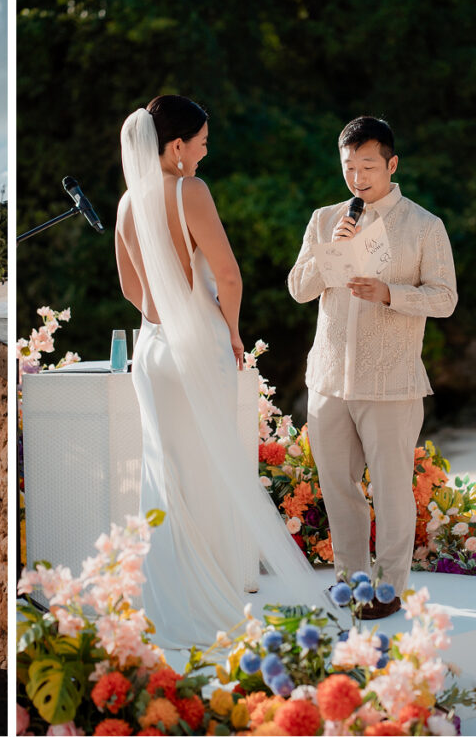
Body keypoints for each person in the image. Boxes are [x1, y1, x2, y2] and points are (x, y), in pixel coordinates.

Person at [116, 95, 324, 648]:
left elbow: (130, 289)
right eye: (202, 142)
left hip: (154, 351)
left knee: (166, 473)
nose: (206, 153)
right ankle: (210, 596)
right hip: (198, 346)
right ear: (177, 146)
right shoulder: (190, 191)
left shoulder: (125, 203)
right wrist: (227, 329)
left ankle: (167, 600)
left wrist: (161, 318)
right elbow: (228, 276)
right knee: (210, 469)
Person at [288, 117, 456, 619]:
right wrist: (332, 252)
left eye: (367, 166)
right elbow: (299, 288)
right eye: (349, 167)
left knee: (390, 490)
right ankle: (352, 586)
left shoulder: (425, 226)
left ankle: (387, 590)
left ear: (391, 164)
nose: (358, 177)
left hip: (391, 381)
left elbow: (445, 298)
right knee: (339, 489)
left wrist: (389, 294)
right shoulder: (324, 218)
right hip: (330, 379)